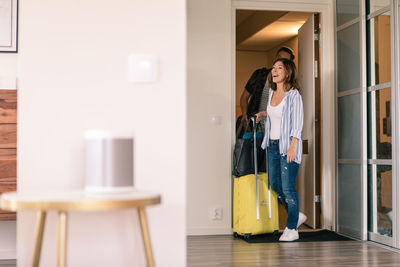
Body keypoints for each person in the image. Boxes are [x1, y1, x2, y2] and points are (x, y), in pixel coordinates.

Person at [256, 58, 306, 242]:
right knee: (274, 184)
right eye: (274, 68)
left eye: (280, 68)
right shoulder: (271, 93)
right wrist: (263, 114)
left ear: (288, 72)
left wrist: (293, 145)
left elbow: (297, 121)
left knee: (288, 188)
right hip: (272, 145)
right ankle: (296, 216)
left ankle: (292, 228)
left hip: (287, 146)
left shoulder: (294, 95)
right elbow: (276, 112)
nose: (275, 71)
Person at [240, 47, 295, 124]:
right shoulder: (259, 75)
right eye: (279, 57)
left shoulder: (290, 83)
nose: (280, 61)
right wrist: (244, 114)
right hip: (255, 125)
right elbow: (244, 96)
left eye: (284, 60)